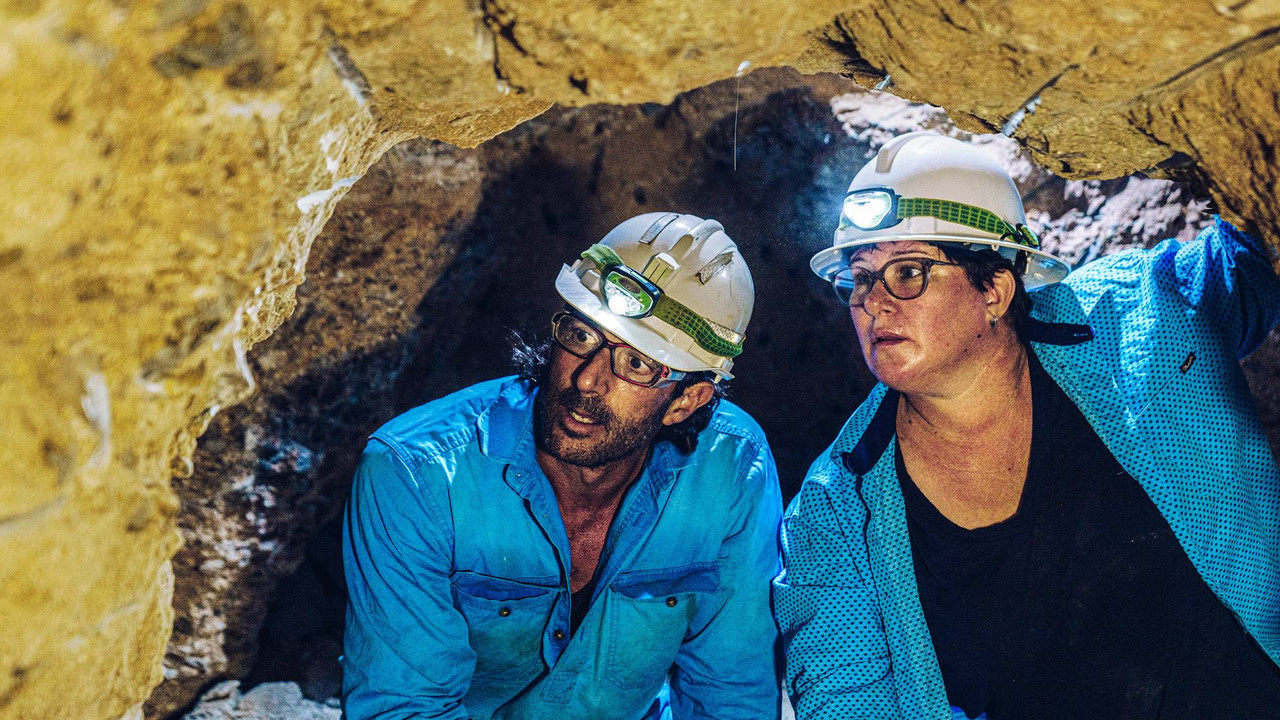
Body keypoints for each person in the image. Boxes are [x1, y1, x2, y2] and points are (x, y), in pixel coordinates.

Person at [773, 131, 1280, 719]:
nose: (875, 303)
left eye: (908, 272)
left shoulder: (1145, 315)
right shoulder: (834, 514)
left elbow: (1261, 232)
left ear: (995, 287)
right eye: (861, 278)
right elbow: (847, 699)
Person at [342, 212, 783, 720]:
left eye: (637, 363)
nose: (588, 381)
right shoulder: (416, 473)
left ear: (687, 401)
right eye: (580, 336)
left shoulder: (730, 468)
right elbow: (403, 708)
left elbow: (730, 694)